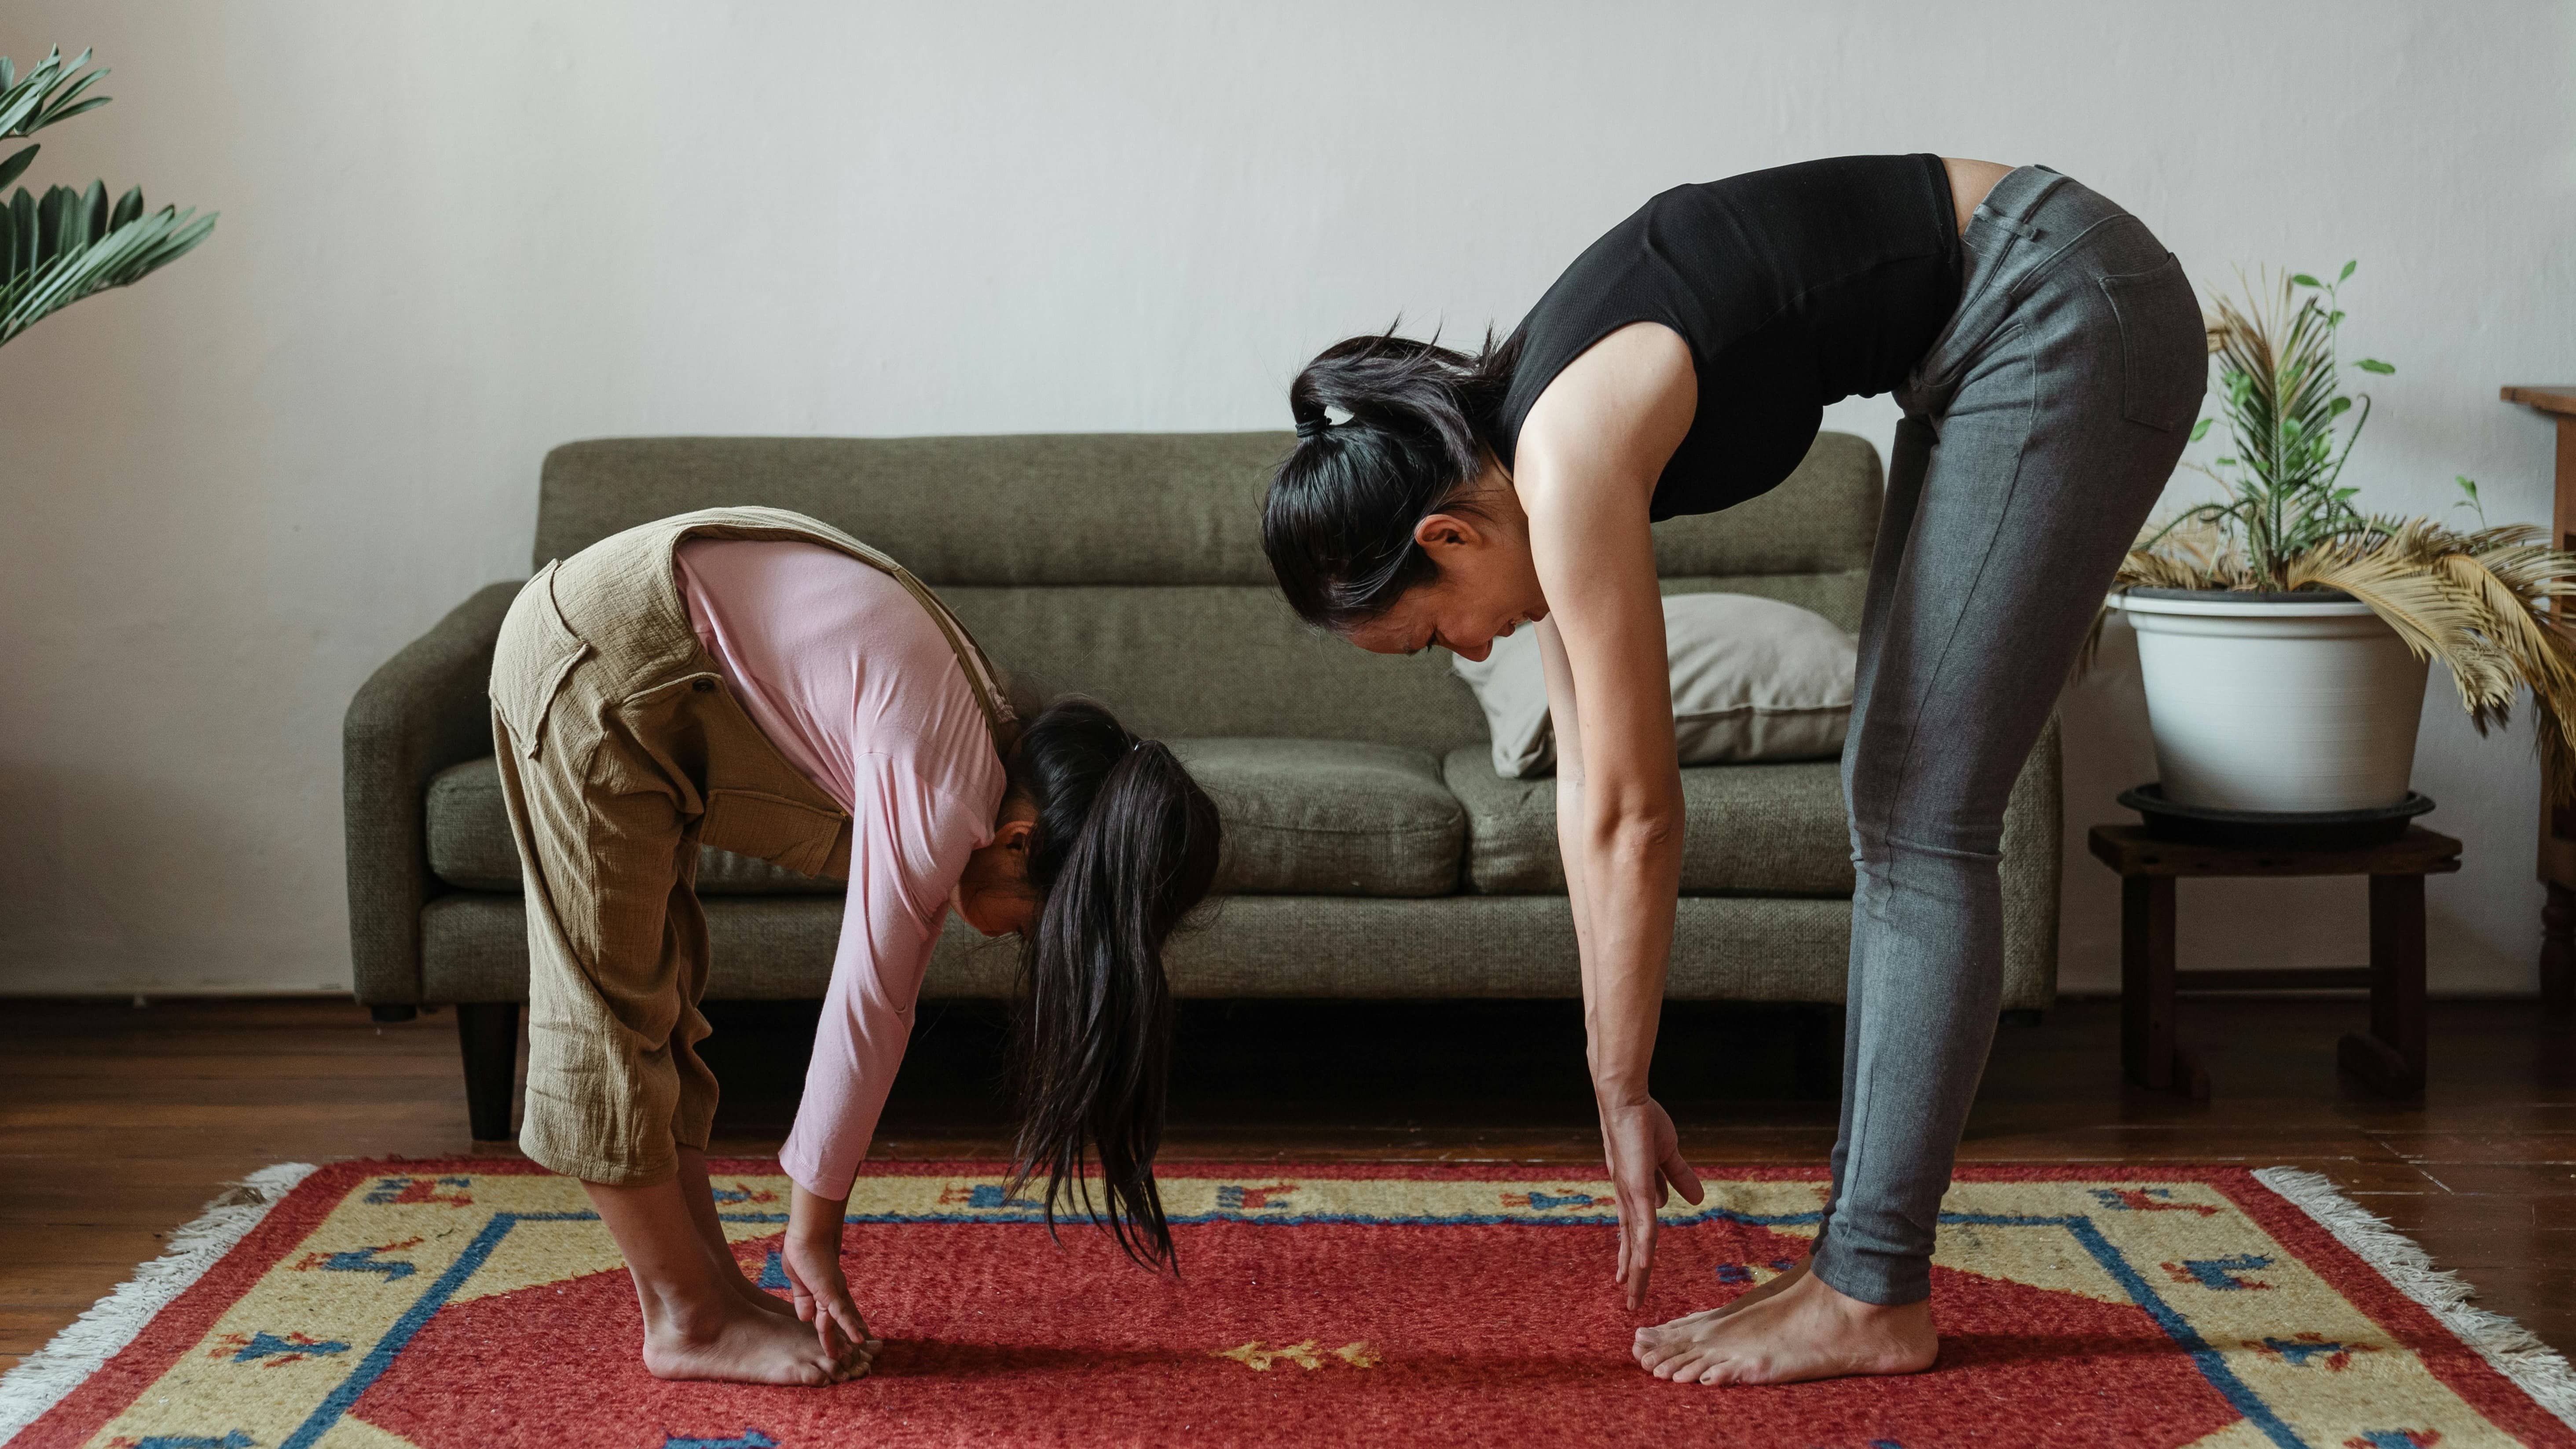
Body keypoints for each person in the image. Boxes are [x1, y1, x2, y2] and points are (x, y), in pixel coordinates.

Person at [1262, 158, 2203, 1385]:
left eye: (1439, 630)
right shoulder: (1529, 446)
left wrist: (1624, 1085)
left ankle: (1873, 1292)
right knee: (1897, 802)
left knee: (1921, 816)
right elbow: (1587, 792)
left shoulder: (1564, 459)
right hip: (1998, 327)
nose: (1475, 650)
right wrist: (1612, 1074)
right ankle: (1858, 1273)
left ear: (1447, 536)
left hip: (2060, 300)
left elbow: (1641, 815)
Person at [488, 506, 1222, 1385]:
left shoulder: (980, 743)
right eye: (1037, 924)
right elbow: (870, 1007)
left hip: (630, 660)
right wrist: (813, 1236)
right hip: (596, 663)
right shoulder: (943, 789)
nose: (1019, 942)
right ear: (1020, 842)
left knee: (659, 1011)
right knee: (609, 1020)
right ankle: (687, 1320)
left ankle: (712, 1291)